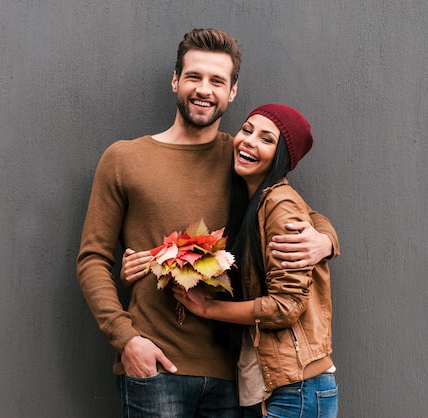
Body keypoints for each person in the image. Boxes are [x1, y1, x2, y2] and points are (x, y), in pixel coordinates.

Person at [76, 28, 339, 418]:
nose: (204, 89)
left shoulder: (242, 155)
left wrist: (325, 241)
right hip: (154, 367)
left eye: (217, 80)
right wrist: (126, 340)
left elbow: (293, 207)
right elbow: (92, 260)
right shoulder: (124, 158)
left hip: (233, 377)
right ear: (175, 80)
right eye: (194, 76)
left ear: (232, 92)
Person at [172, 104, 339, 417]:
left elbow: (286, 305)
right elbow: (316, 217)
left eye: (267, 139)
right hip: (267, 387)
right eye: (247, 130)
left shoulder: (278, 203)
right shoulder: (255, 201)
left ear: (281, 157)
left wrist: (208, 308)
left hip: (295, 389)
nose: (248, 140)